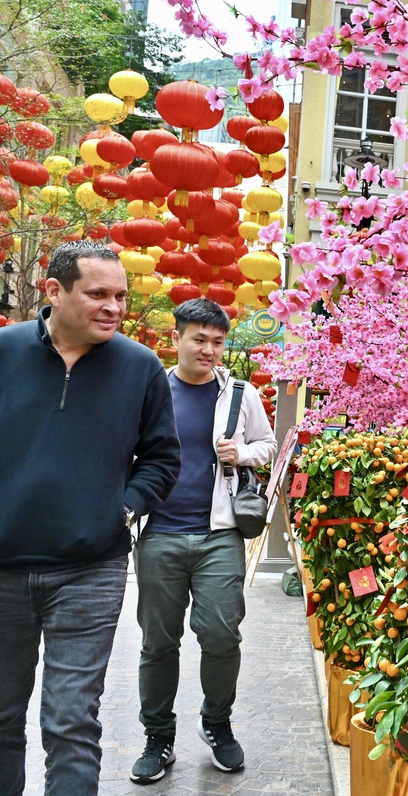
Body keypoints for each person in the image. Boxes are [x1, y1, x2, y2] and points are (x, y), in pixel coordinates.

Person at [0, 240, 182, 795]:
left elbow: (162, 458)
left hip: (91, 570)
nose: (113, 306)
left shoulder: (140, 367)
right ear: (54, 292)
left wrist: (122, 508)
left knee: (71, 720)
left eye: (120, 295)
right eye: (97, 294)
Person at [131, 298, 277, 783]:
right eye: (199, 339)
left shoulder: (239, 393)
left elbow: (270, 444)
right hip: (160, 535)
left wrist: (244, 452)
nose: (209, 349)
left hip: (220, 536)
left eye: (217, 341)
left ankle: (217, 723)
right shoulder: (150, 391)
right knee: (158, 643)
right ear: (175, 339)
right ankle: (158, 736)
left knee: (220, 635)